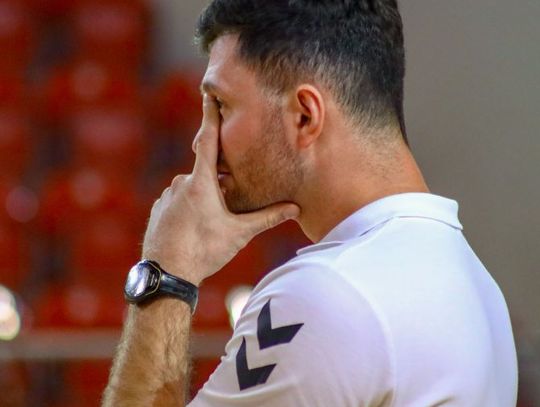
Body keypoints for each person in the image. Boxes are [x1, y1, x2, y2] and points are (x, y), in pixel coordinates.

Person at [102, 1, 518, 406]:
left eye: (221, 106)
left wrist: (166, 273)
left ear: (304, 115)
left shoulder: (325, 296)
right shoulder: (480, 287)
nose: (200, 140)